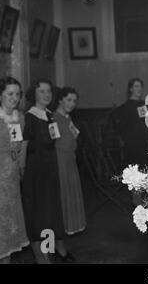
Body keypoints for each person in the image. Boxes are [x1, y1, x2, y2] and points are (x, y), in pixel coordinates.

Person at [22, 79, 74, 264]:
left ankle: (49, 253)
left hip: (51, 168)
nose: (46, 94)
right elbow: (24, 146)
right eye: (41, 91)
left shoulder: (50, 115)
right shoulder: (29, 116)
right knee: (39, 214)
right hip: (36, 170)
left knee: (51, 214)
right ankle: (41, 257)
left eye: (48, 91)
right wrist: (22, 171)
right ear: (33, 94)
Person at [0, 76, 29, 264]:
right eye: (10, 93)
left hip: (12, 179)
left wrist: (21, 168)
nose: (14, 98)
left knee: (9, 222)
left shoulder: (21, 118)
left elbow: (21, 147)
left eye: (17, 94)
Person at [54, 87, 86, 236]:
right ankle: (62, 228)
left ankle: (72, 226)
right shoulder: (53, 118)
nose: (72, 103)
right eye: (68, 100)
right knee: (63, 193)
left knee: (71, 193)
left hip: (70, 160)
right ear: (60, 99)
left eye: (74, 101)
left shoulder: (68, 118)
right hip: (60, 161)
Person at [113, 78, 148, 169]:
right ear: (131, 89)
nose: (139, 89)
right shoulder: (124, 108)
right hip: (132, 145)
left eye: (140, 86)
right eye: (136, 86)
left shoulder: (143, 104)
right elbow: (121, 129)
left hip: (144, 144)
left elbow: (145, 122)